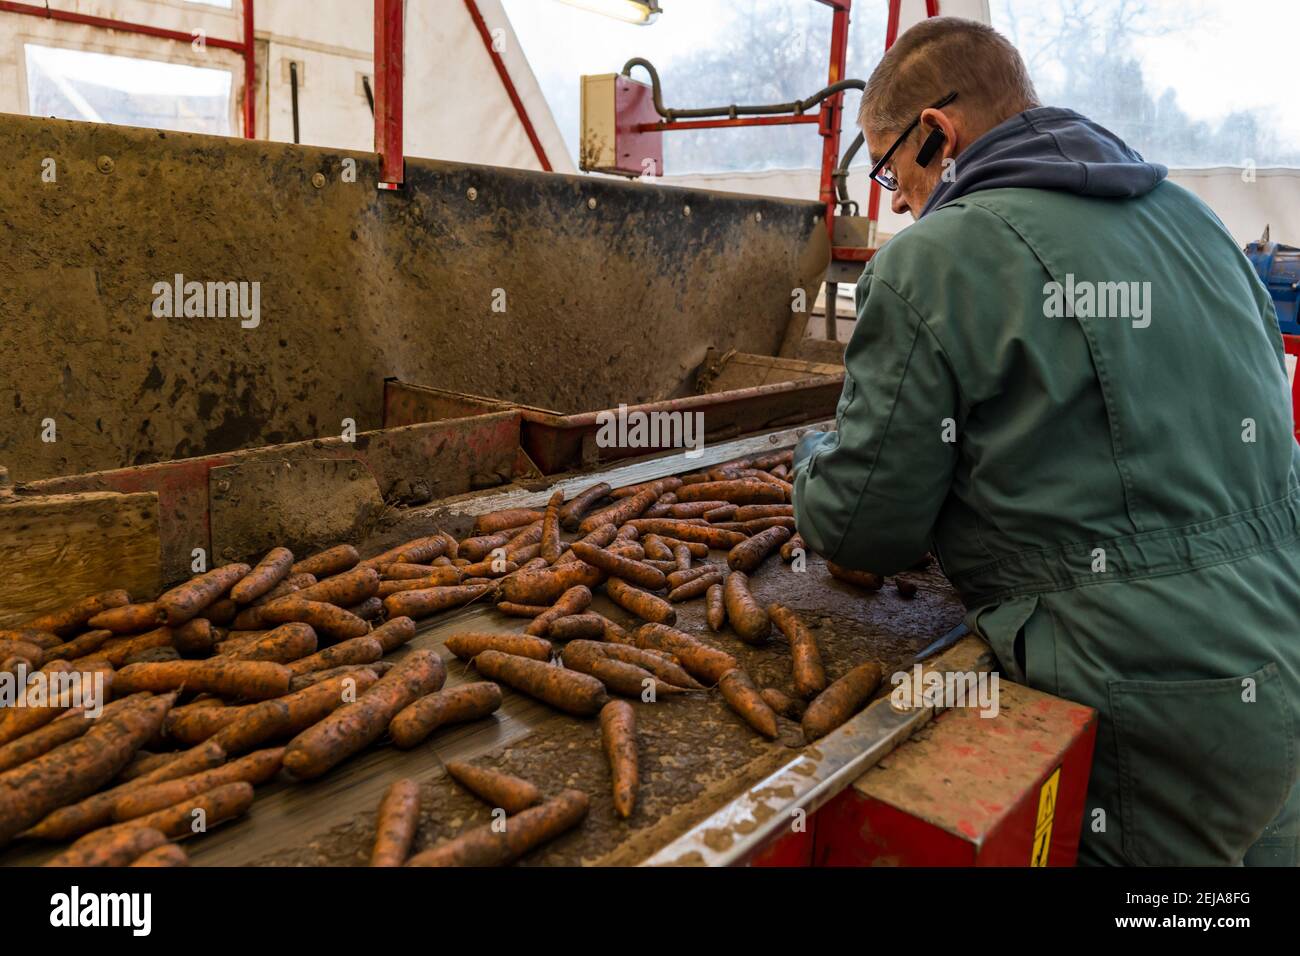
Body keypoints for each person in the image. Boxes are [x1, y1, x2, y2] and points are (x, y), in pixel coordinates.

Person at [792, 16, 1300, 866]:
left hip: (1152, 697)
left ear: (937, 134)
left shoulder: (938, 259)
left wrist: (812, 463)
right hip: (1280, 646)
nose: (896, 199)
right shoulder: (1198, 223)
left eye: (889, 169)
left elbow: (861, 527)